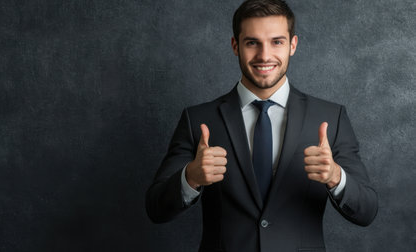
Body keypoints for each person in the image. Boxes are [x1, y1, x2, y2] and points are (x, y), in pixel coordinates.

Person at [146, 0, 378, 251]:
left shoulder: (331, 118)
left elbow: (366, 211)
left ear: (293, 45)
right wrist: (190, 178)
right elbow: (156, 209)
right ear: (235, 46)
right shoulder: (198, 120)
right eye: (252, 42)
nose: (264, 55)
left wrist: (335, 177)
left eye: (277, 41)